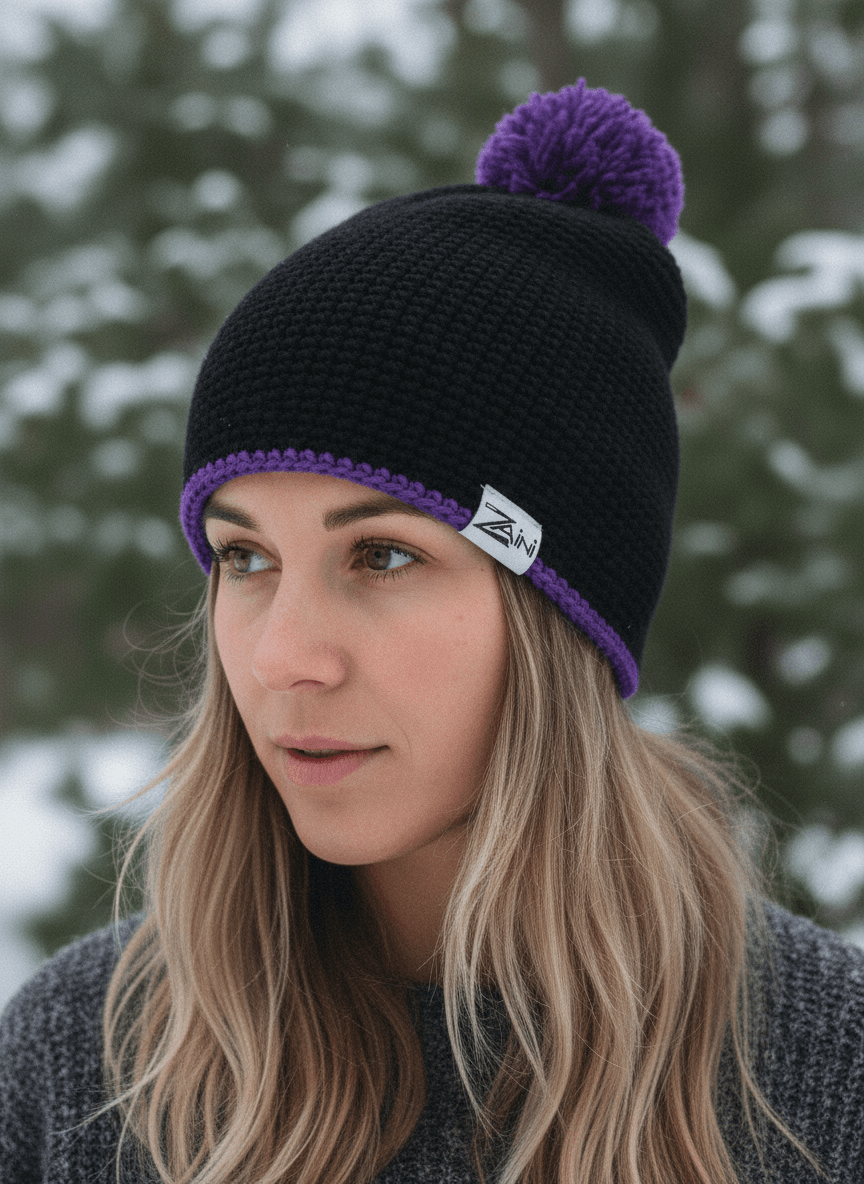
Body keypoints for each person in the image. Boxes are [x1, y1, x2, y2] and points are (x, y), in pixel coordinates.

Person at [1, 80, 863, 1184]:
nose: (282, 656)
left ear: (560, 607)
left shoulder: (819, 1074)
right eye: (245, 557)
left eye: (384, 554)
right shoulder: (85, 1061)